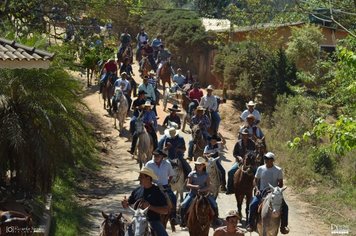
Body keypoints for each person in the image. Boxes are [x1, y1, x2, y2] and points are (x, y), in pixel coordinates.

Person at [246, 152, 289, 234]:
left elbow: (280, 183)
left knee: (285, 207)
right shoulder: (260, 168)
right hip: (262, 191)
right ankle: (251, 224)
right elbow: (255, 180)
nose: (266, 160)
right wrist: (257, 189)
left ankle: (283, 226)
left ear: (272, 160)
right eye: (265, 158)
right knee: (253, 205)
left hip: (274, 193)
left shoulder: (278, 170)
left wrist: (277, 191)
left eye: (269, 159)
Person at [121, 166, 169, 236]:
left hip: (153, 221)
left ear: (148, 178)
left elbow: (165, 211)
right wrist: (124, 203)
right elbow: (127, 205)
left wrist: (150, 207)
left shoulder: (158, 192)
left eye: (141, 177)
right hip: (136, 221)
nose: (139, 178)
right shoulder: (136, 191)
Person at [180, 157, 220, 228]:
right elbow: (187, 184)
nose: (198, 166)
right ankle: (183, 220)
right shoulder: (192, 174)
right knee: (183, 204)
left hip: (204, 194)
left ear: (203, 165)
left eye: (200, 165)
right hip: (193, 193)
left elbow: (208, 186)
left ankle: (215, 219)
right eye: (197, 165)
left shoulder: (206, 175)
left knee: (214, 203)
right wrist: (194, 186)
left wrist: (202, 190)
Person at [145, 148, 178, 225]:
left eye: (158, 156)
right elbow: (144, 175)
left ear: (162, 157)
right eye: (155, 155)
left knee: (173, 198)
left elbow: (171, 175)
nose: (156, 157)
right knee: (143, 198)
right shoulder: (149, 164)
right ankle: (140, 214)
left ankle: (173, 217)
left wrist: (167, 183)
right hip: (152, 186)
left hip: (164, 186)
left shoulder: (167, 164)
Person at [226, 128, 256, 195]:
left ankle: (257, 189)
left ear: (248, 135)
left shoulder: (252, 143)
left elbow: (255, 153)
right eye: (243, 135)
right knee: (230, 172)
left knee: (258, 172)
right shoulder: (238, 143)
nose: (245, 136)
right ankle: (230, 188)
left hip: (250, 163)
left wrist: (251, 157)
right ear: (241, 135)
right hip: (240, 162)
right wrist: (239, 157)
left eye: (246, 135)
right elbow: (234, 153)